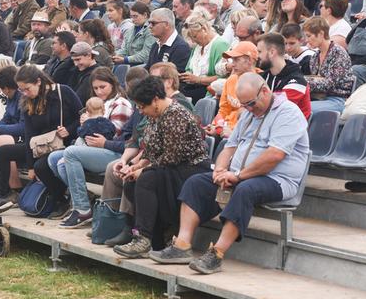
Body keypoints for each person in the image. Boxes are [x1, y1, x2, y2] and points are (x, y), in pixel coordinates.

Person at [150, 73, 309, 274]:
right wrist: (220, 170)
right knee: (196, 182)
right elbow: (229, 147)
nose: (249, 109)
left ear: (265, 91)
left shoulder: (288, 113)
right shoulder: (249, 113)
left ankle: (216, 254)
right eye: (245, 105)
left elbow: (274, 155)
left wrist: (238, 176)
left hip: (277, 180)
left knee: (245, 189)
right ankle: (182, 246)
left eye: (251, 103)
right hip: (239, 174)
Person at [113, 76, 211, 258]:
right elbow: (152, 150)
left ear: (156, 100)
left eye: (142, 106)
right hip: (169, 167)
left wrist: (143, 170)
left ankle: (142, 238)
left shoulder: (176, 115)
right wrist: (137, 166)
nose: (141, 111)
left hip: (190, 169)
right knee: (132, 183)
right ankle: (155, 239)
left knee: (147, 179)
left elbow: (172, 157)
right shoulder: (156, 115)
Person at [0, 65, 82, 217]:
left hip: (63, 144)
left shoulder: (63, 92)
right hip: (41, 145)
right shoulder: (27, 101)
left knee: (41, 166)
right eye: (21, 90)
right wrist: (29, 166)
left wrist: (69, 130)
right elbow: (29, 134)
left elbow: (81, 116)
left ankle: (60, 199)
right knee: (3, 151)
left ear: (38, 81)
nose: (24, 93)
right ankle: (4, 195)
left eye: (27, 88)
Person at [47, 68, 132, 227]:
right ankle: (85, 199)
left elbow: (115, 135)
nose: (99, 91)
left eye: (103, 87)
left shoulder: (120, 104)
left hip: (113, 152)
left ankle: (82, 209)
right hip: (95, 149)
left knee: (70, 153)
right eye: (95, 88)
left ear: (112, 84)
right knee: (54, 159)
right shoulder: (96, 103)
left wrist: (92, 125)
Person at [302, 17, 355, 114]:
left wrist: (303, 81)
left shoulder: (338, 53)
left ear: (321, 34)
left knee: (303, 108)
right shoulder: (314, 57)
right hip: (319, 98)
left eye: (309, 36)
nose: (306, 40)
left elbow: (329, 84)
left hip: (338, 99)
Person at [256, 33, 311, 119]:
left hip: (290, 129)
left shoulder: (296, 81)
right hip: (268, 127)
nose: (257, 56)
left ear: (272, 52)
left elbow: (274, 109)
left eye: (259, 52)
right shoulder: (262, 77)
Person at [180, 14, 230, 103]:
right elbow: (189, 69)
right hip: (192, 87)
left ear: (204, 30)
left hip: (208, 91)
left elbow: (223, 76)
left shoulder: (220, 44)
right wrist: (186, 76)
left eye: (194, 36)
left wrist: (198, 79)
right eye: (191, 38)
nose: (193, 41)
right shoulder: (198, 46)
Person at [145, 8, 191, 72]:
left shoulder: (181, 47)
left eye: (153, 23)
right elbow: (148, 69)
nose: (149, 26)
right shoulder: (155, 46)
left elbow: (175, 78)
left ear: (166, 25)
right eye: (149, 23)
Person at [114, 2, 156, 66]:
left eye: (135, 16)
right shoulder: (130, 30)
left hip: (143, 65)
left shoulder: (150, 30)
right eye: (131, 17)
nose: (132, 20)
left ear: (145, 15)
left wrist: (126, 59)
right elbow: (124, 49)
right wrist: (115, 56)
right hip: (129, 63)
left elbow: (146, 54)